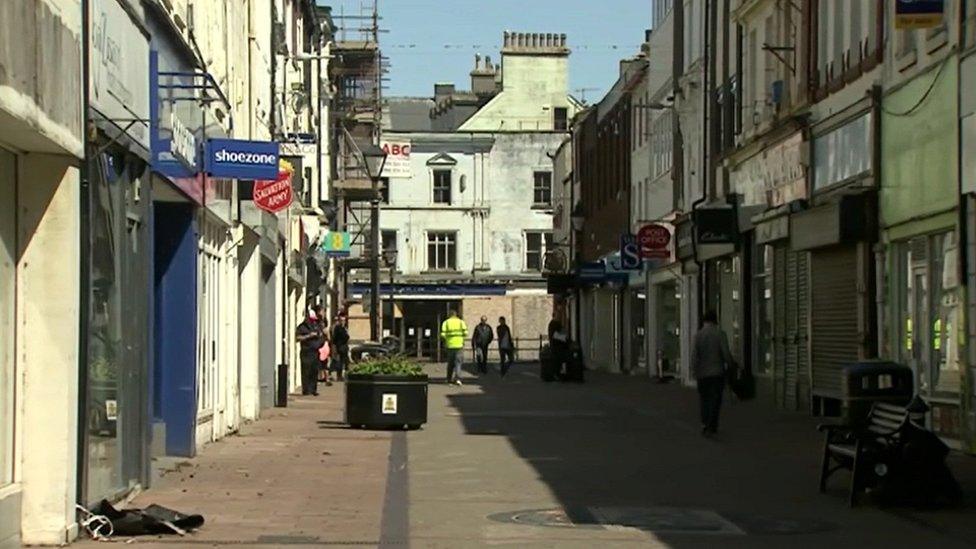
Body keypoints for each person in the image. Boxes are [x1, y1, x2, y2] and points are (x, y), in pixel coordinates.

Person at [691, 310, 737, 436]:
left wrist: (694, 370)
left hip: (702, 373)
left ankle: (705, 423)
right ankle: (712, 424)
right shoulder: (720, 334)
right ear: (715, 320)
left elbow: (695, 356)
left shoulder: (698, 336)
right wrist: (731, 365)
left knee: (704, 399)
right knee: (715, 399)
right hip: (717, 372)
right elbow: (726, 354)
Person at [296, 305, 326, 396]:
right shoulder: (302, 326)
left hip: (315, 351)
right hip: (306, 351)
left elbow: (321, 335)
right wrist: (309, 336)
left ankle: (313, 389)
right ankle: (306, 390)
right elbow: (297, 337)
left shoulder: (317, 325)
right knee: (306, 371)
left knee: (314, 371)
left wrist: (321, 341)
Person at [440, 310, 468, 386]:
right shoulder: (461, 322)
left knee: (450, 363)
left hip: (450, 345)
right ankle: (458, 379)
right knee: (458, 363)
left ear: (449, 315)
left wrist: (447, 339)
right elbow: (465, 333)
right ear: (456, 315)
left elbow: (443, 334)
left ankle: (449, 379)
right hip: (459, 345)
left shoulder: (446, 322)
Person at [331, 315, 350, 382]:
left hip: (344, 347)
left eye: (344, 320)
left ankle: (343, 375)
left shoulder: (344, 328)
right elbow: (344, 337)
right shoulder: (338, 328)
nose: (343, 322)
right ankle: (339, 376)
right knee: (341, 362)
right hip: (340, 347)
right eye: (342, 320)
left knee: (345, 362)